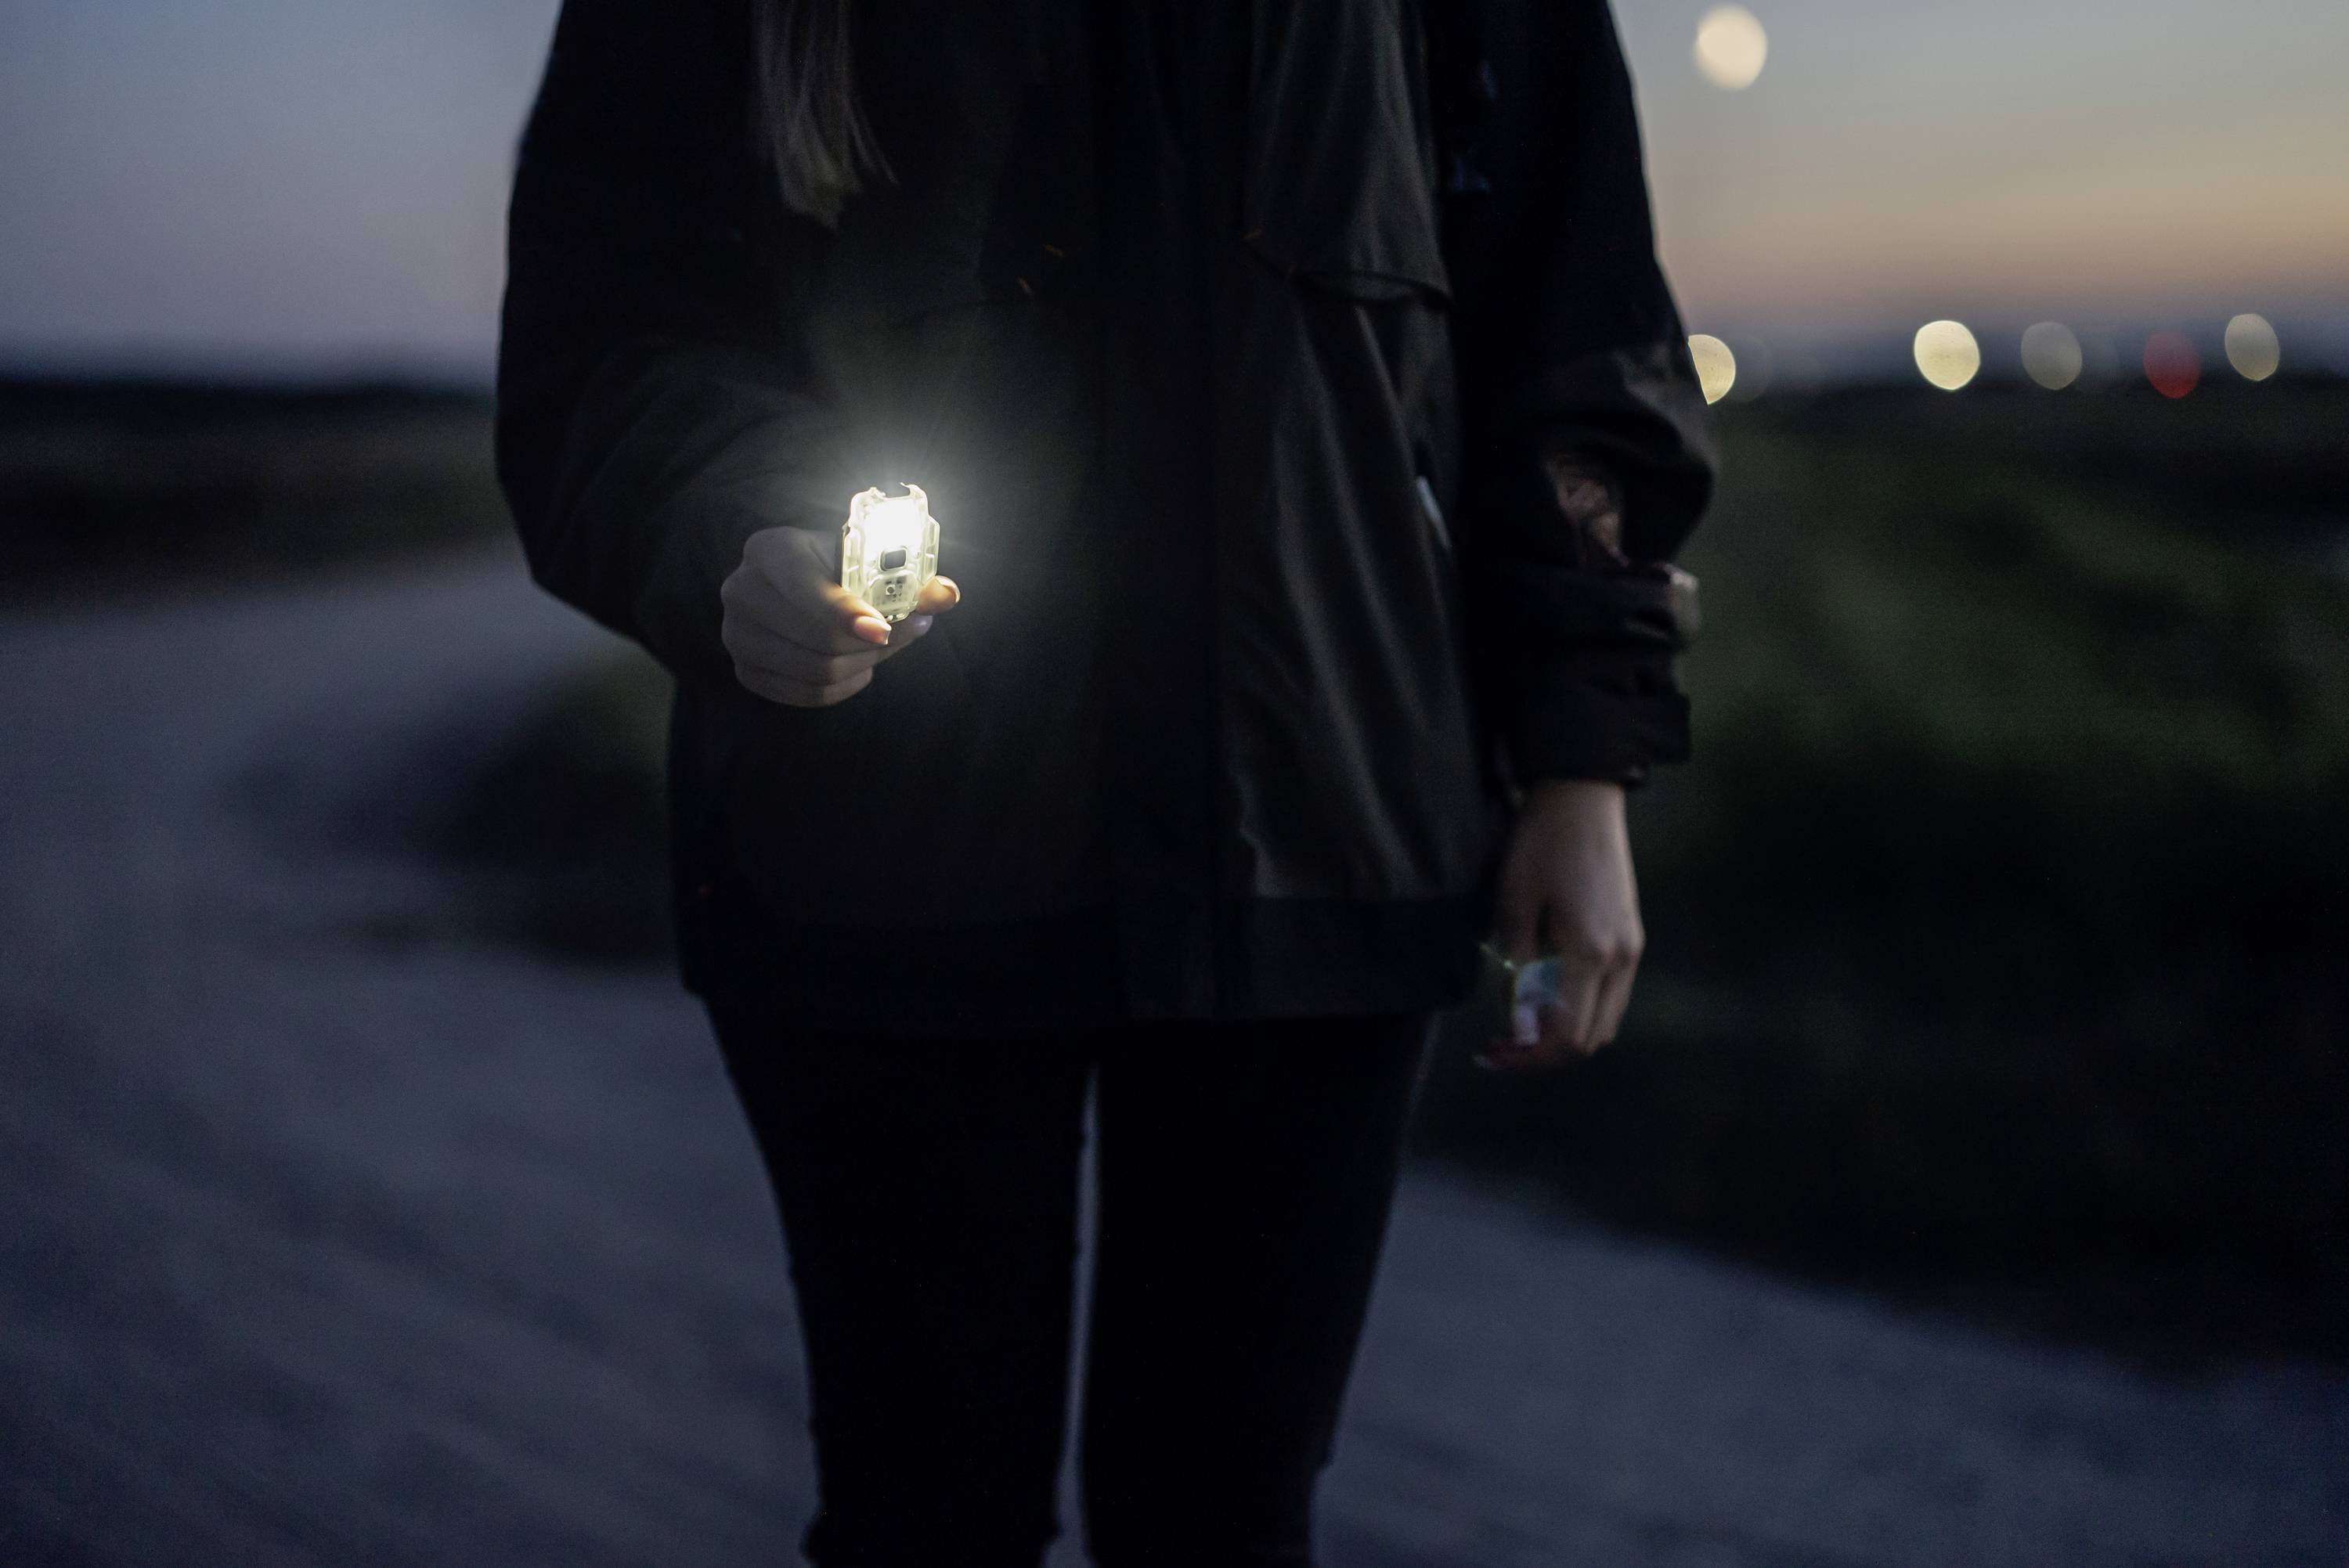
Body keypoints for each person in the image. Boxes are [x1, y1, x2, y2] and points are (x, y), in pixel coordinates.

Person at [496, 0, 1713, 1562]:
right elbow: (611, 333)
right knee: (924, 1523)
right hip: (878, 852)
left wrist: (1582, 760)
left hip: (1325, 840)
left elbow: (1569, 301)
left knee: (1220, 1524)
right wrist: (736, 539)